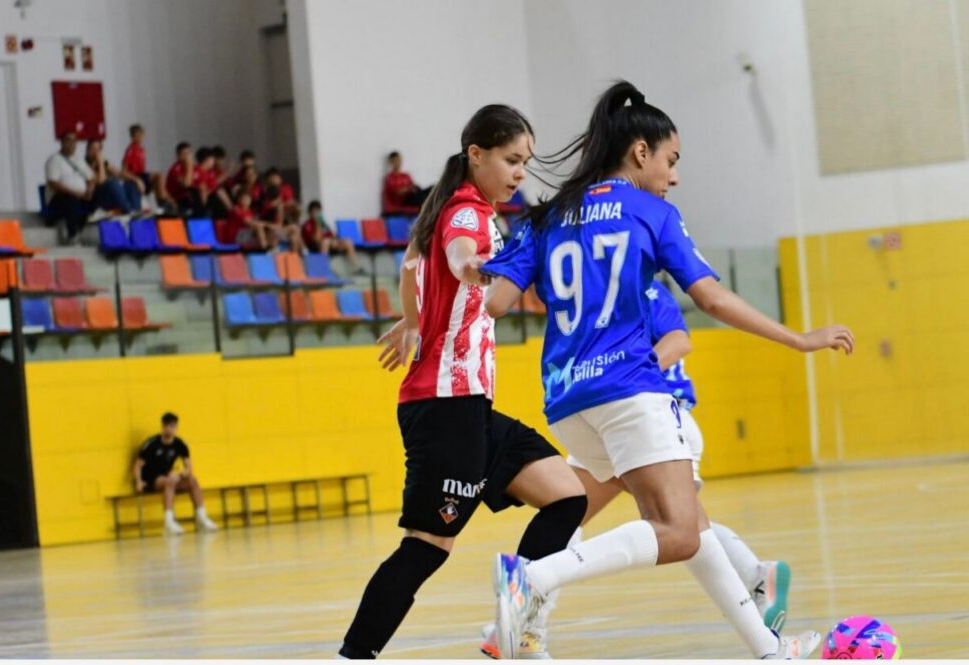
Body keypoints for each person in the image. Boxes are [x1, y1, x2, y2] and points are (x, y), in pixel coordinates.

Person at [483, 80, 853, 660]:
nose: (674, 175)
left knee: (693, 525)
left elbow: (496, 302)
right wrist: (797, 339)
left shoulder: (547, 216)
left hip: (568, 401)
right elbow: (710, 299)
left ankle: (770, 650)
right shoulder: (652, 212)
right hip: (630, 391)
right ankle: (536, 579)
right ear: (640, 153)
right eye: (671, 160)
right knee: (676, 531)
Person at [337, 105, 587, 660]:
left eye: (525, 162)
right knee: (426, 547)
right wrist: (473, 270)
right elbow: (457, 256)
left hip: (468, 407)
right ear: (476, 154)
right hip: (446, 407)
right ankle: (354, 656)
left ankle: (512, 626)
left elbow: (408, 268)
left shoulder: (446, 207)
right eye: (511, 159)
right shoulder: (469, 214)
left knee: (568, 497)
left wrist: (413, 320)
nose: (520, 172)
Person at [478, 278, 792, 658]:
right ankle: (758, 587)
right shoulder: (597, 297)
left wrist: (630, 374)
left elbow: (680, 341)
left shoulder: (641, 287)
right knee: (669, 523)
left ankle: (527, 618)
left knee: (667, 526)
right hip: (625, 416)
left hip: (649, 416)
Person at [131, 412, 219, 536]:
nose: (169, 429)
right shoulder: (151, 444)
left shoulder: (180, 444)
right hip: (151, 479)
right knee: (169, 481)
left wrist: (181, 474)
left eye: (172, 426)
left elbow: (189, 468)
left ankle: (202, 518)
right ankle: (169, 522)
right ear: (162, 427)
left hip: (169, 476)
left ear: (176, 428)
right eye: (166, 426)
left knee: (192, 481)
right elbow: (137, 465)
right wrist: (138, 481)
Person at [45, 131, 98, 243]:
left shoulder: (79, 160)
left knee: (101, 194)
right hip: (60, 199)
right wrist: (76, 193)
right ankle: (73, 235)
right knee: (71, 199)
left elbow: (92, 178)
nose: (72, 143)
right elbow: (53, 184)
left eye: (74, 141)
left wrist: (90, 190)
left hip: (81, 196)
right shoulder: (54, 160)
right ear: (62, 142)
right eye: (68, 140)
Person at [301, 200, 365, 274]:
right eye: (314, 211)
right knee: (326, 242)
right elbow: (316, 240)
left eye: (318, 211)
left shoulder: (323, 223)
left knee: (348, 241)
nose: (317, 213)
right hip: (316, 247)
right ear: (310, 212)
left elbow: (333, 236)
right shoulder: (307, 225)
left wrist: (335, 241)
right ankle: (324, 269)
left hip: (329, 245)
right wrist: (317, 224)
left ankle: (357, 267)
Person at [121, 124, 174, 212]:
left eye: (140, 135)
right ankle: (163, 203)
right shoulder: (131, 150)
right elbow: (124, 171)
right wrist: (136, 180)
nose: (139, 138)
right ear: (132, 137)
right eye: (136, 136)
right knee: (159, 176)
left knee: (160, 183)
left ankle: (162, 206)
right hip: (136, 176)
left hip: (142, 175)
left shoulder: (141, 149)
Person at [85, 139, 141, 214]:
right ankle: (129, 211)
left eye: (97, 149)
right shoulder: (84, 165)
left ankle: (136, 213)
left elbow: (119, 173)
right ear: (87, 150)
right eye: (92, 148)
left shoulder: (104, 163)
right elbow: (101, 181)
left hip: (110, 194)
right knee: (112, 184)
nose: (95, 152)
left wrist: (136, 180)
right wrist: (101, 163)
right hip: (97, 196)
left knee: (131, 185)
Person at [258, 168, 301, 251]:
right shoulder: (266, 206)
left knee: (294, 235)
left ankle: (295, 258)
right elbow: (270, 224)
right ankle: (270, 251)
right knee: (288, 229)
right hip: (270, 231)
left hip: (278, 229)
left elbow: (280, 223)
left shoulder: (280, 206)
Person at [382, 150, 429, 215]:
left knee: (431, 189)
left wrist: (409, 188)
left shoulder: (406, 175)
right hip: (403, 201)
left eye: (399, 160)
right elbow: (398, 193)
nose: (398, 162)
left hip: (412, 197)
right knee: (418, 196)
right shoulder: (390, 177)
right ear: (391, 162)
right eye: (395, 160)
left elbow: (414, 187)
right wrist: (409, 188)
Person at [166, 142, 206, 216]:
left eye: (188, 153)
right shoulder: (175, 168)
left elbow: (202, 187)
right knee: (191, 191)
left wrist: (203, 206)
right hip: (178, 199)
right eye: (184, 154)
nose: (187, 157)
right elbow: (186, 184)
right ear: (178, 156)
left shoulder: (197, 168)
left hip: (194, 201)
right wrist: (189, 165)